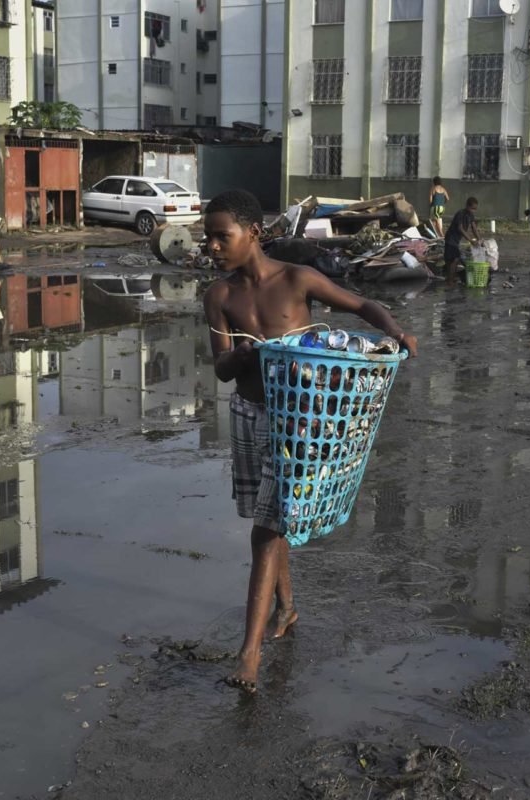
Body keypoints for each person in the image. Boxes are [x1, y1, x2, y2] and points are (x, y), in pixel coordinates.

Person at [202, 189, 419, 695]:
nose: (212, 246)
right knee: (268, 518)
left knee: (266, 529)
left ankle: (249, 655)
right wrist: (254, 354)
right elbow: (222, 367)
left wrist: (398, 332)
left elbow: (364, 304)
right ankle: (287, 607)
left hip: (298, 418)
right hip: (250, 413)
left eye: (221, 236)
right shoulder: (219, 295)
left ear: (252, 233)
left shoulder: (295, 279)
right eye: (208, 237)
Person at [443, 196, 482, 284]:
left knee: (451, 260)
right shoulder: (460, 214)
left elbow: (474, 228)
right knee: (454, 259)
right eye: (472, 208)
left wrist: (480, 239)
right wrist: (471, 240)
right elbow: (460, 228)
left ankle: (450, 279)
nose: (473, 210)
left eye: (475, 209)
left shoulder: (470, 215)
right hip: (451, 239)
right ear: (467, 206)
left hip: (456, 241)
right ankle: (450, 281)